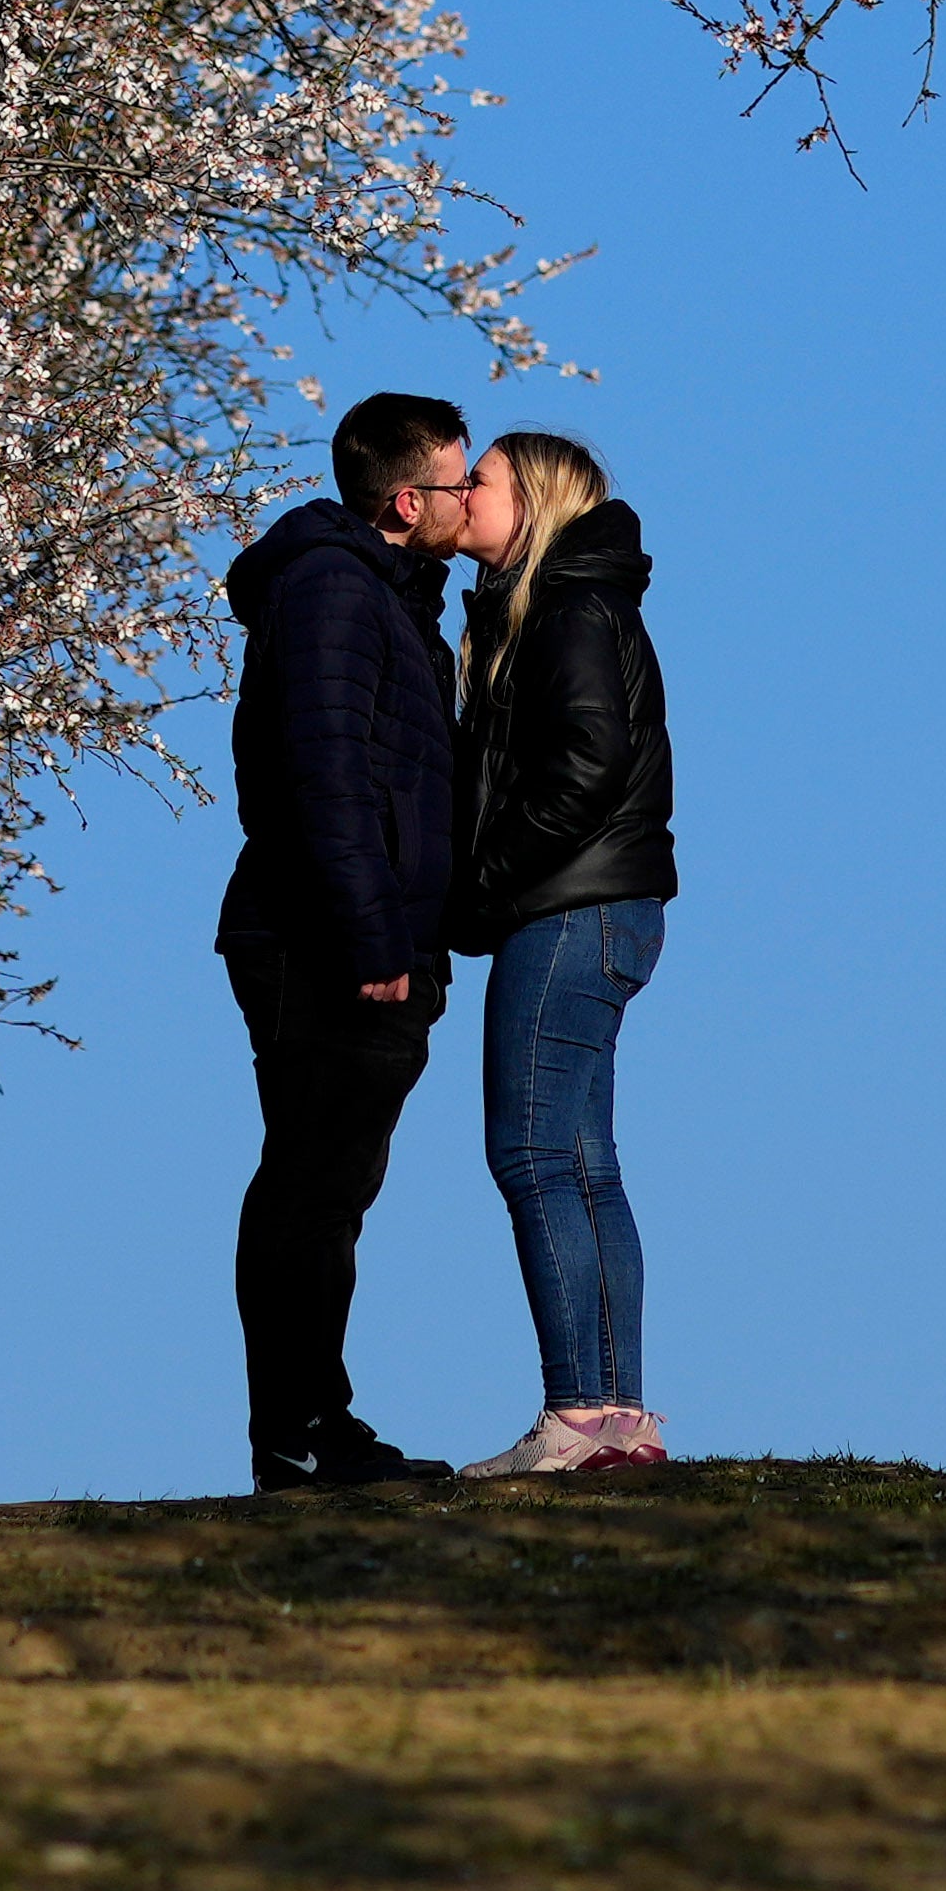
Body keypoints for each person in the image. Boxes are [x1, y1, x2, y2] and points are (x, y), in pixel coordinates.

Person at [214, 387, 494, 1492]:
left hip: (357, 938)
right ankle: (297, 1431)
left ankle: (309, 1423)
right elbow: (322, 772)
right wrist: (373, 936)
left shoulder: (383, 593)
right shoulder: (336, 590)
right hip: (322, 941)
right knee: (310, 1188)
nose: (468, 498)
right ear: (400, 498)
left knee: (329, 1188)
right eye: (456, 481)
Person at [444, 426, 674, 1481]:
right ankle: (616, 1421)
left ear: (530, 500)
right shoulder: (563, 604)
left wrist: (486, 881)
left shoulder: (570, 609)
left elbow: (587, 760)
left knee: (532, 1155)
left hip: (571, 912)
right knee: (582, 1165)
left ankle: (579, 1414)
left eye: (478, 483)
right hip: (604, 912)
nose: (460, 495)